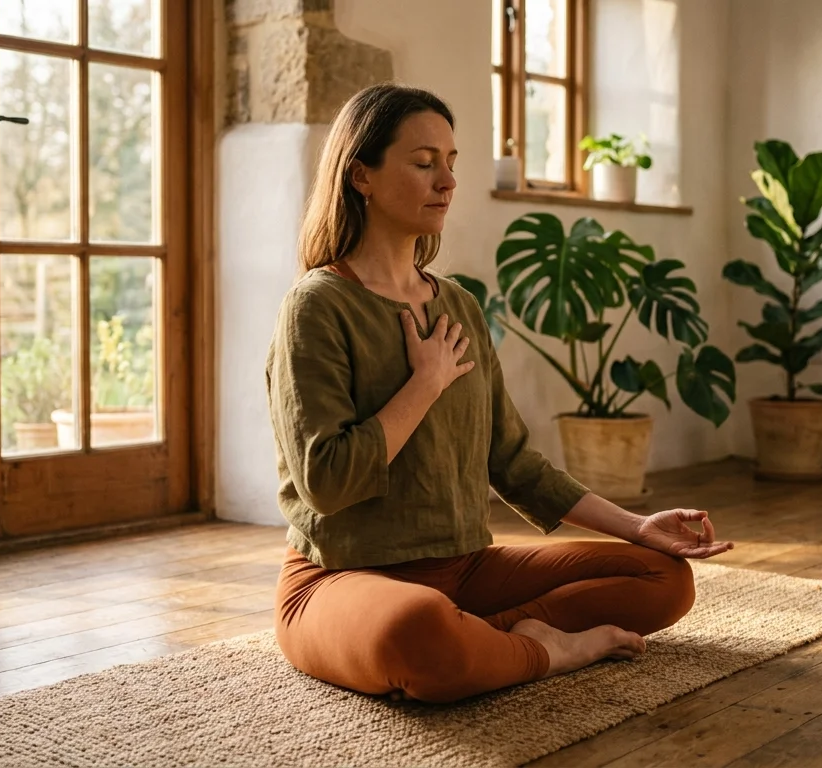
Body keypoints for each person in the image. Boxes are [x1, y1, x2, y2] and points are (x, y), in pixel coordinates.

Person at [265, 83, 734, 704]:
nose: (447, 182)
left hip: (463, 568)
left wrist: (637, 526)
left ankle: (488, 640)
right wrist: (425, 383)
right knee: (417, 628)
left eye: (452, 163)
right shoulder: (317, 306)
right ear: (362, 176)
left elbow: (511, 462)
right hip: (340, 577)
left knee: (663, 579)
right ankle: (545, 649)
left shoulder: (456, 305)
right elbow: (326, 481)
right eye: (424, 162)